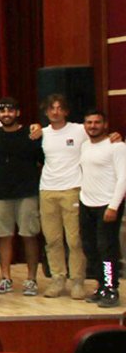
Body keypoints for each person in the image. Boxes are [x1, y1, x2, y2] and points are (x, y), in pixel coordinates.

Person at [0, 97, 44, 296]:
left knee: (29, 235)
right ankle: (6, 278)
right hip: (2, 194)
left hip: (27, 193)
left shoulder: (31, 134)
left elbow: (42, 161)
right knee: (3, 236)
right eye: (2, 112)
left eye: (10, 111)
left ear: (18, 113)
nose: (6, 115)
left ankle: (31, 279)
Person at [38, 94, 89, 299]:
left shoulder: (79, 130)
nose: (55, 112)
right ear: (46, 112)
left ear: (66, 111)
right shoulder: (41, 133)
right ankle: (58, 279)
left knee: (75, 239)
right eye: (52, 108)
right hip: (47, 190)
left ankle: (77, 281)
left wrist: (114, 137)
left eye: (60, 108)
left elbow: (100, 136)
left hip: (72, 189)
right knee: (52, 239)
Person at [77, 109, 126, 307]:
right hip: (86, 203)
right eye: (89, 122)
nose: (93, 126)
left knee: (107, 248)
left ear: (105, 125)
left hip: (107, 204)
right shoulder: (85, 146)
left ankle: (111, 288)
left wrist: (113, 206)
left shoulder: (117, 146)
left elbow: (123, 177)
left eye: (97, 122)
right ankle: (101, 285)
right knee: (90, 248)